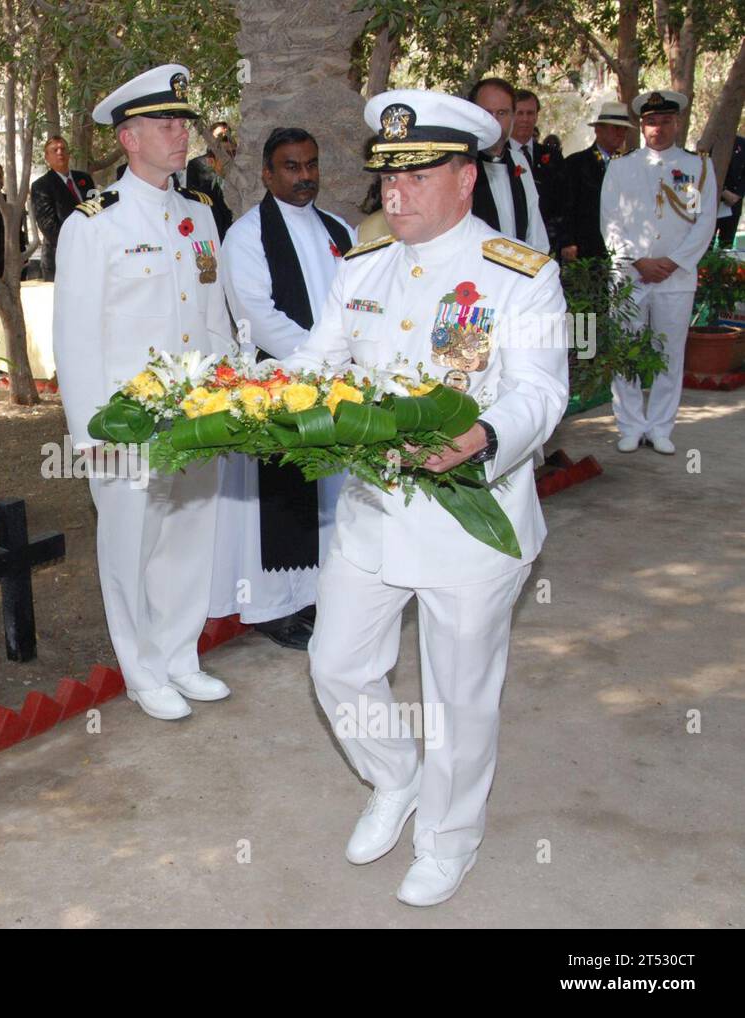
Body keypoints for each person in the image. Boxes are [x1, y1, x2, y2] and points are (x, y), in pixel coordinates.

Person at [283, 88, 568, 906]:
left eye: (416, 177)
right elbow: (319, 361)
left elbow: (541, 391)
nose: (394, 195)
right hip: (373, 511)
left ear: (466, 179)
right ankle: (396, 775)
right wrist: (245, 393)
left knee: (458, 695)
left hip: (470, 523)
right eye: (387, 178)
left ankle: (450, 838)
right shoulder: (363, 267)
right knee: (335, 665)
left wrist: (479, 437)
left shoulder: (519, 277)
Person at [53, 63, 234, 722]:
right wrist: (90, 433)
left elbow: (217, 316)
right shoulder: (94, 223)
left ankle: (180, 654)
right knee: (132, 542)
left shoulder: (200, 213)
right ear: (128, 137)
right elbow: (76, 339)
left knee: (190, 533)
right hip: (128, 422)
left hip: (198, 411)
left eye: (183, 121)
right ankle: (141, 669)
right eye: (165, 123)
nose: (180, 133)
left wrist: (230, 395)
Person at [211, 126, 355, 649]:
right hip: (279, 384)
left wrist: (341, 364)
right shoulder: (247, 235)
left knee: (330, 496)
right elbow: (257, 315)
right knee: (280, 500)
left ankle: (321, 594)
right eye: (291, 167)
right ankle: (274, 607)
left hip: (333, 384)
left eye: (311, 165)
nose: (304, 176)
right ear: (268, 174)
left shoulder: (340, 231)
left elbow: (358, 304)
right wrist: (320, 364)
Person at [602, 90, 717, 454]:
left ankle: (661, 426)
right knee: (626, 351)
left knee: (669, 353)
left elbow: (704, 221)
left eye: (666, 120)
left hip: (676, 276)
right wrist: (636, 260)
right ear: (642, 124)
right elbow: (610, 219)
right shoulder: (622, 166)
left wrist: (673, 262)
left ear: (677, 122)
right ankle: (631, 424)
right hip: (629, 275)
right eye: (652, 121)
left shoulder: (697, 168)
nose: (658, 128)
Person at [467, 78, 549, 253]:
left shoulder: (518, 161)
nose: (494, 121)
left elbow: (534, 226)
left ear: (512, 117)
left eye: (502, 113)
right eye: (486, 113)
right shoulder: (459, 164)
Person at [557, 102, 634, 262]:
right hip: (585, 251)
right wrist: (567, 241)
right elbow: (565, 206)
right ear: (598, 130)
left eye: (624, 129)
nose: (620, 133)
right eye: (615, 128)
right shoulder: (576, 163)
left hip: (622, 249)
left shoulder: (630, 166)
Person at [31, 136, 96, 280]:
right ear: (47, 157)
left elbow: (97, 212)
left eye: (63, 149)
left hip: (92, 256)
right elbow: (49, 228)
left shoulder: (84, 179)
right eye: (54, 150)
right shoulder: (41, 186)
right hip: (61, 259)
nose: (60, 152)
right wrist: (80, 243)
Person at [511, 90, 564, 251]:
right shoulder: (499, 156)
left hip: (549, 242)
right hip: (512, 239)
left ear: (536, 116)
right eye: (520, 113)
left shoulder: (552, 156)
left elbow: (563, 202)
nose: (525, 119)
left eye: (530, 113)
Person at [186, 121, 236, 242]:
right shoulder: (197, 167)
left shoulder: (244, 182)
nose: (229, 158)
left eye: (233, 153)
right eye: (224, 153)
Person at [714, 134, 744, 249]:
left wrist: (737, 195)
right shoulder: (711, 142)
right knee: (706, 244)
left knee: (726, 245)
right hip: (713, 200)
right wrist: (722, 191)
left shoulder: (742, 143)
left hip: (732, 203)